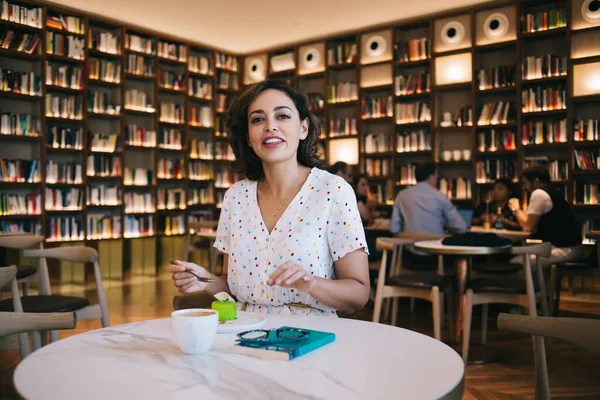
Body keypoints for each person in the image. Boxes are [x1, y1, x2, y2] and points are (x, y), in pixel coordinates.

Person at [170, 80, 370, 316]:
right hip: (243, 332)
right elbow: (232, 289)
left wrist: (311, 283)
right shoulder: (235, 197)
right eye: (257, 119)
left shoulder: (333, 191)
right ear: (247, 137)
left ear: (303, 128)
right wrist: (205, 281)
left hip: (311, 334)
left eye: (282, 116)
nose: (270, 127)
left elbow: (359, 293)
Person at [508, 167, 586, 267]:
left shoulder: (539, 194)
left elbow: (528, 226)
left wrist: (516, 209)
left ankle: (533, 283)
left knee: (515, 262)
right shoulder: (553, 190)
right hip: (573, 247)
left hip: (564, 249)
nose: (524, 188)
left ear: (536, 181)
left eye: (525, 183)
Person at [391, 163, 467, 264]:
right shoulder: (440, 197)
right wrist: (446, 227)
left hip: (409, 258)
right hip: (437, 259)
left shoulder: (401, 195)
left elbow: (394, 228)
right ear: (431, 176)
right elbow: (461, 227)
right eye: (436, 175)